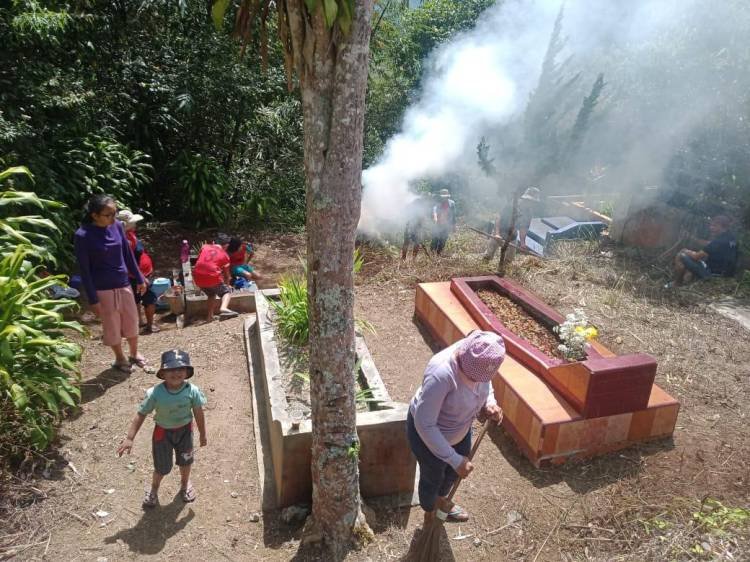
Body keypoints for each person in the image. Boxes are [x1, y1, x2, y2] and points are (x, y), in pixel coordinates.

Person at [407, 330, 505, 527]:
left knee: (452, 473)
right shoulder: (442, 374)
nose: (477, 380)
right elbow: (425, 423)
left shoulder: (482, 355)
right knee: (432, 477)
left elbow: (486, 381)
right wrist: (453, 459)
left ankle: (441, 501)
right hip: (429, 437)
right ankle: (430, 510)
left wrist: (489, 403)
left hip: (459, 429)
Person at [117, 350, 207, 508]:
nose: (176, 372)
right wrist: (130, 438)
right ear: (163, 373)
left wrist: (202, 434)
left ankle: (185, 485)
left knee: (186, 461)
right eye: (171, 369)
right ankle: (154, 489)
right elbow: (141, 414)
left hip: (185, 432)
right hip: (162, 434)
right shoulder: (155, 394)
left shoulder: (192, 391)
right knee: (161, 467)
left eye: (180, 369)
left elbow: (198, 412)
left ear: (187, 372)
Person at [74, 194, 147, 373]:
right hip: (102, 289)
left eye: (114, 213)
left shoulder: (117, 227)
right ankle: (120, 358)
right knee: (111, 325)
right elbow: (84, 270)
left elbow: (127, 255)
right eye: (108, 214)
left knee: (132, 320)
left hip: (123, 283)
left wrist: (139, 277)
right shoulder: (83, 235)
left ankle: (134, 353)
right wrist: (93, 299)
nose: (113, 218)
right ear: (95, 215)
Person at [117, 209, 159, 334]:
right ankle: (148, 325)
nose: (135, 224)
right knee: (148, 298)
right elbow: (128, 261)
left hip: (141, 273)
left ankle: (140, 322)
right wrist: (140, 276)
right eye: (132, 222)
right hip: (137, 275)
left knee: (136, 299)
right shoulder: (124, 240)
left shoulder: (129, 234)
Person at [666, 215, 738, 288]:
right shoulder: (730, 237)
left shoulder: (718, 242)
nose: (711, 228)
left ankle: (677, 283)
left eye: (715, 226)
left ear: (723, 227)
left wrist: (686, 251)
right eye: (711, 225)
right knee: (702, 257)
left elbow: (696, 257)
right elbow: (709, 244)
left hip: (713, 274)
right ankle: (688, 280)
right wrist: (692, 238)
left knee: (681, 255)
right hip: (727, 274)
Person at [483, 186, 541, 261]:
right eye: (531, 201)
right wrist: (497, 234)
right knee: (488, 256)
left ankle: (503, 270)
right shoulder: (512, 205)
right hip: (500, 231)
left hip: (512, 236)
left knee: (509, 261)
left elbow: (524, 228)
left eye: (534, 202)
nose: (532, 203)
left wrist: (523, 243)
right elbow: (498, 218)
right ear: (526, 199)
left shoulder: (529, 213)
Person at [192, 234, 239, 321]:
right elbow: (227, 276)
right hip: (212, 276)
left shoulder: (204, 247)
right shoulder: (225, 256)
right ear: (226, 245)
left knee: (211, 294)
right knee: (226, 292)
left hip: (197, 277)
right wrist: (228, 286)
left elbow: (200, 260)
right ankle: (223, 308)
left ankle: (209, 317)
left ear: (214, 242)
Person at [401, 194, 430, 260]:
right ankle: (405, 258)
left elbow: (422, 218)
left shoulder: (420, 206)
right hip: (411, 226)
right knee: (408, 242)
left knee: (414, 243)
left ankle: (411, 258)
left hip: (416, 227)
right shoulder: (414, 206)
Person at [431, 188, 456, 256]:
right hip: (437, 224)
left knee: (443, 240)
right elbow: (434, 211)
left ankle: (439, 254)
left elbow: (453, 215)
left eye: (445, 195)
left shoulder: (452, 203)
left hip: (447, 225)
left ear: (448, 196)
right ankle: (432, 254)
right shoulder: (437, 203)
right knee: (435, 239)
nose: (444, 198)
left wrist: (453, 226)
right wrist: (435, 218)